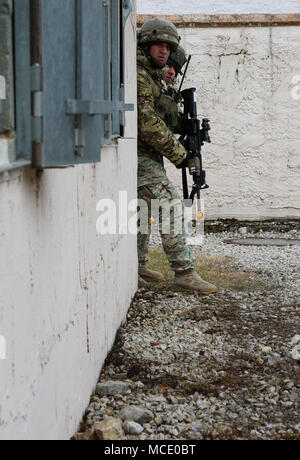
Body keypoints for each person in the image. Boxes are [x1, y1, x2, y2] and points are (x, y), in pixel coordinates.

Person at [137, 18, 217, 295]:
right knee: (169, 203)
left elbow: (160, 117)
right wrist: (181, 155)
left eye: (168, 48)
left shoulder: (151, 76)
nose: (164, 52)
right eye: (159, 45)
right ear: (146, 45)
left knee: (143, 211)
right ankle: (184, 272)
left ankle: (137, 265)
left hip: (147, 154)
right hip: (138, 154)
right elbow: (147, 124)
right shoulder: (139, 74)